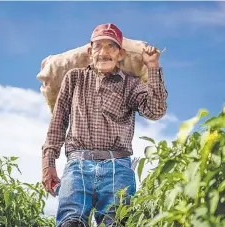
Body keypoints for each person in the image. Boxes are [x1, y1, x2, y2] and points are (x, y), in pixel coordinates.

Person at [41, 23, 168, 227]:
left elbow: (155, 111)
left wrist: (152, 66)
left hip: (118, 167)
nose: (104, 52)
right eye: (99, 46)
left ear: (120, 53)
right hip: (78, 165)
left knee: (117, 221)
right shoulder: (74, 78)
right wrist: (48, 163)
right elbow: (58, 122)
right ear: (90, 52)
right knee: (70, 222)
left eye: (111, 47)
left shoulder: (131, 84)